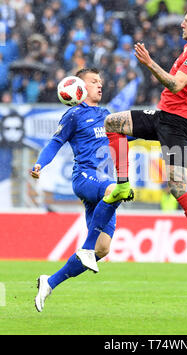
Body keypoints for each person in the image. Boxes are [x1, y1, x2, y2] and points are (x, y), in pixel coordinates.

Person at [102, 6, 187, 284]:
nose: (182, 24)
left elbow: (177, 85)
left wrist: (149, 63)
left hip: (178, 125)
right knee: (112, 123)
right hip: (165, 117)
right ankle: (121, 184)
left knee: (178, 188)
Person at [30, 68, 133, 312]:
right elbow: (56, 142)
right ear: (78, 86)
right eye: (94, 81)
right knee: (116, 188)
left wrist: (155, 132)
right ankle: (85, 248)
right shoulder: (74, 114)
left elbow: (123, 139)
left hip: (101, 184)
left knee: (103, 249)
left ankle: (50, 282)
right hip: (86, 178)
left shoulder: (107, 115)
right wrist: (39, 164)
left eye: (101, 80)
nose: (100, 85)